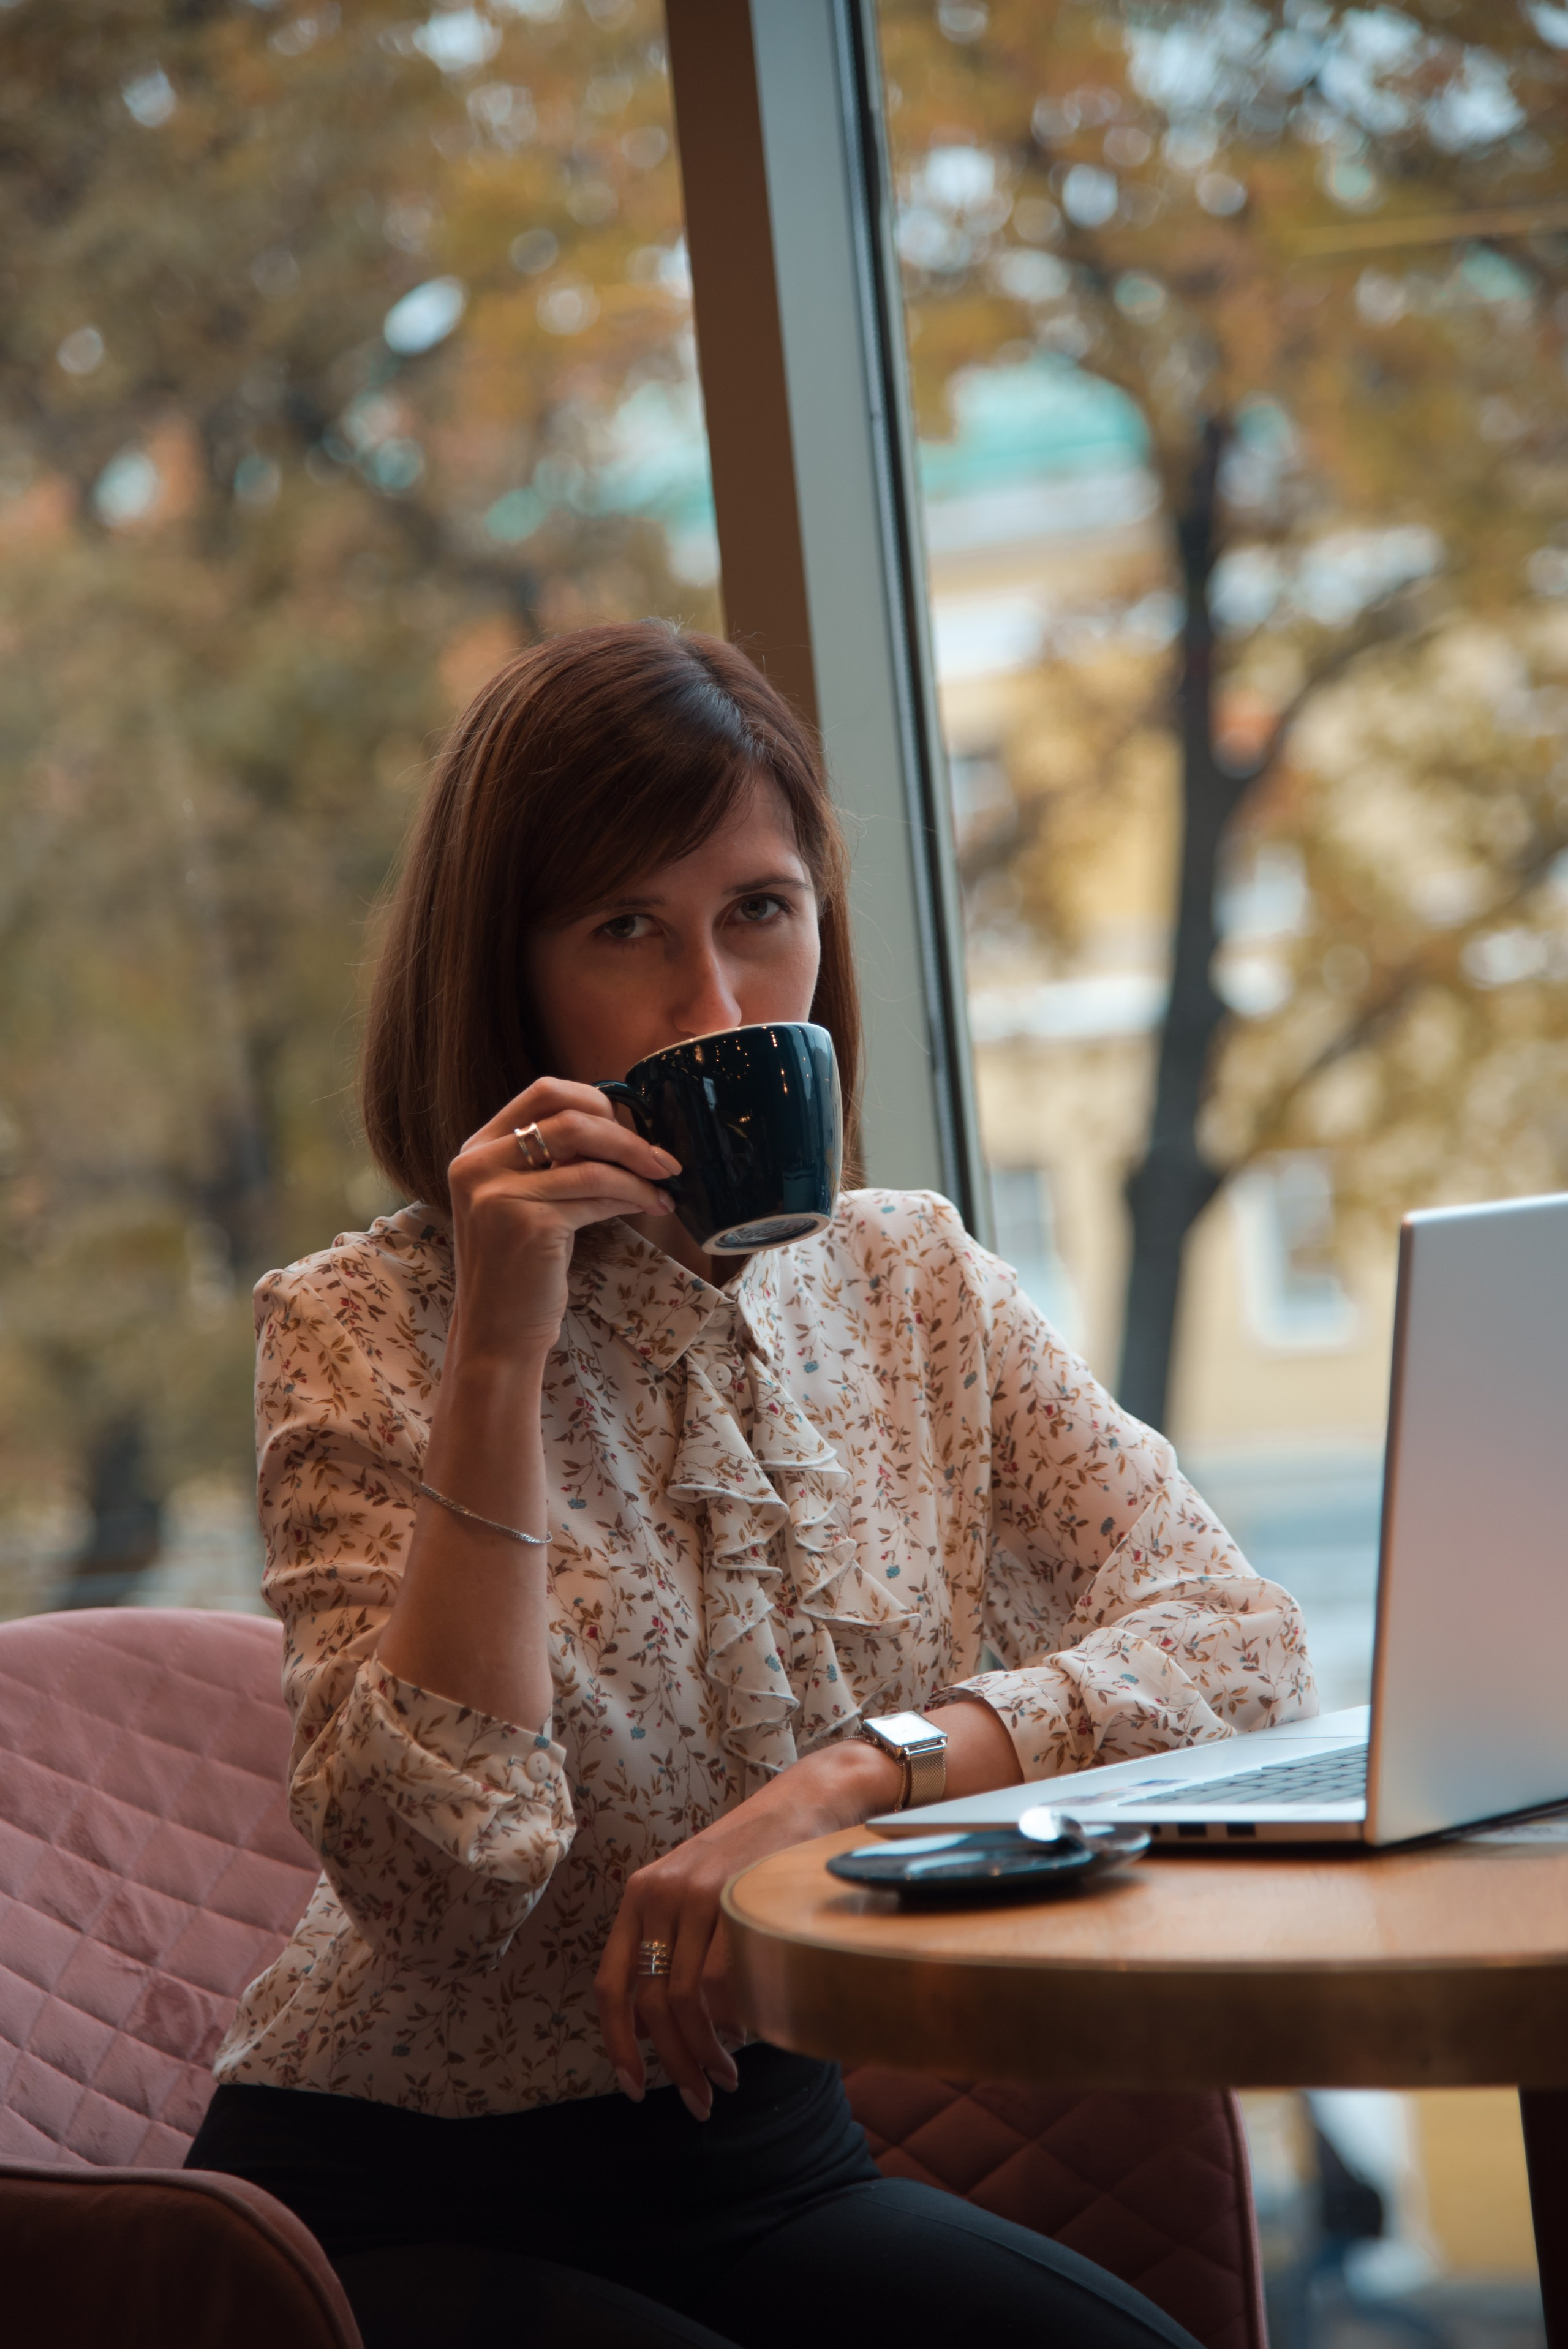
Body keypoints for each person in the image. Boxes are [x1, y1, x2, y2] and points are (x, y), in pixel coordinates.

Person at [188, 623, 1316, 2349]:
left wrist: (842, 1788)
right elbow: (441, 1886)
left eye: (760, 913)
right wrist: (500, 1350)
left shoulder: (912, 1280)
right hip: (394, 2200)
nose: (714, 1007)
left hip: (768, 2159)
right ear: (512, 976)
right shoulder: (358, 1328)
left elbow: (1241, 1640)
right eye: (626, 928)